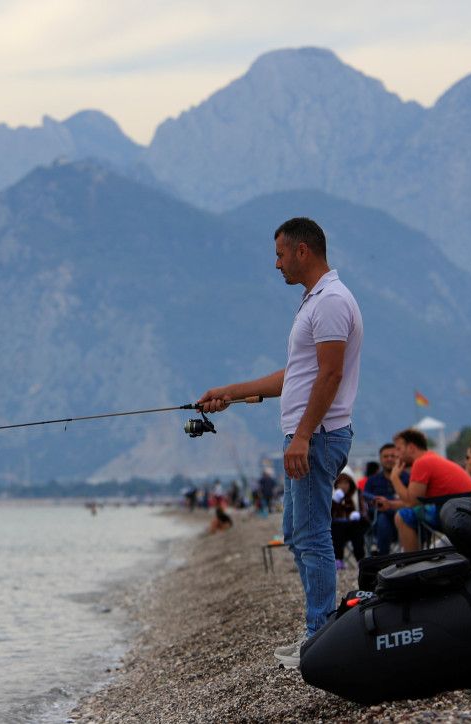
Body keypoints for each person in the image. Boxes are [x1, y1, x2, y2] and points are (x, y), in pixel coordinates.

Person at [198, 216, 362, 668]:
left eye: (279, 254)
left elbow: (330, 374)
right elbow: (295, 376)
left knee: (312, 535)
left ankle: (321, 635)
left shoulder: (331, 301)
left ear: (302, 251)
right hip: (307, 435)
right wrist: (230, 393)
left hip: (317, 436)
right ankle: (318, 630)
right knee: (296, 532)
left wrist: (303, 436)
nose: (276, 264)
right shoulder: (315, 301)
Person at [377, 429, 471, 552]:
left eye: (398, 449)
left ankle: (414, 560)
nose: (397, 454)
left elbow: (411, 502)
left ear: (411, 448)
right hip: (470, 512)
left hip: (458, 515)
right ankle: (423, 554)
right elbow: (417, 501)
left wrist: (394, 478)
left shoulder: (422, 462)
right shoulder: (430, 458)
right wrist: (391, 504)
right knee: (414, 513)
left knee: (402, 516)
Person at [362, 444, 405, 555]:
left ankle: (382, 556)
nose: (389, 459)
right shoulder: (372, 480)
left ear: (398, 458)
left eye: (392, 456)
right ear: (380, 459)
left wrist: (387, 502)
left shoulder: (407, 477)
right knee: (382, 518)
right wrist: (376, 500)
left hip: (403, 519)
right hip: (378, 520)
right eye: (385, 456)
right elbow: (365, 495)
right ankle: (384, 556)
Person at [331, 467, 366, 568]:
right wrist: (334, 502)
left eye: (346, 483)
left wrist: (359, 515)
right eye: (340, 483)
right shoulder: (331, 496)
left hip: (353, 526)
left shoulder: (357, 495)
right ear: (336, 484)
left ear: (351, 484)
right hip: (336, 527)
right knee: (337, 528)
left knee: (356, 529)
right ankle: (338, 559)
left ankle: (360, 559)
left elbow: (364, 511)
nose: (343, 486)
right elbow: (326, 515)